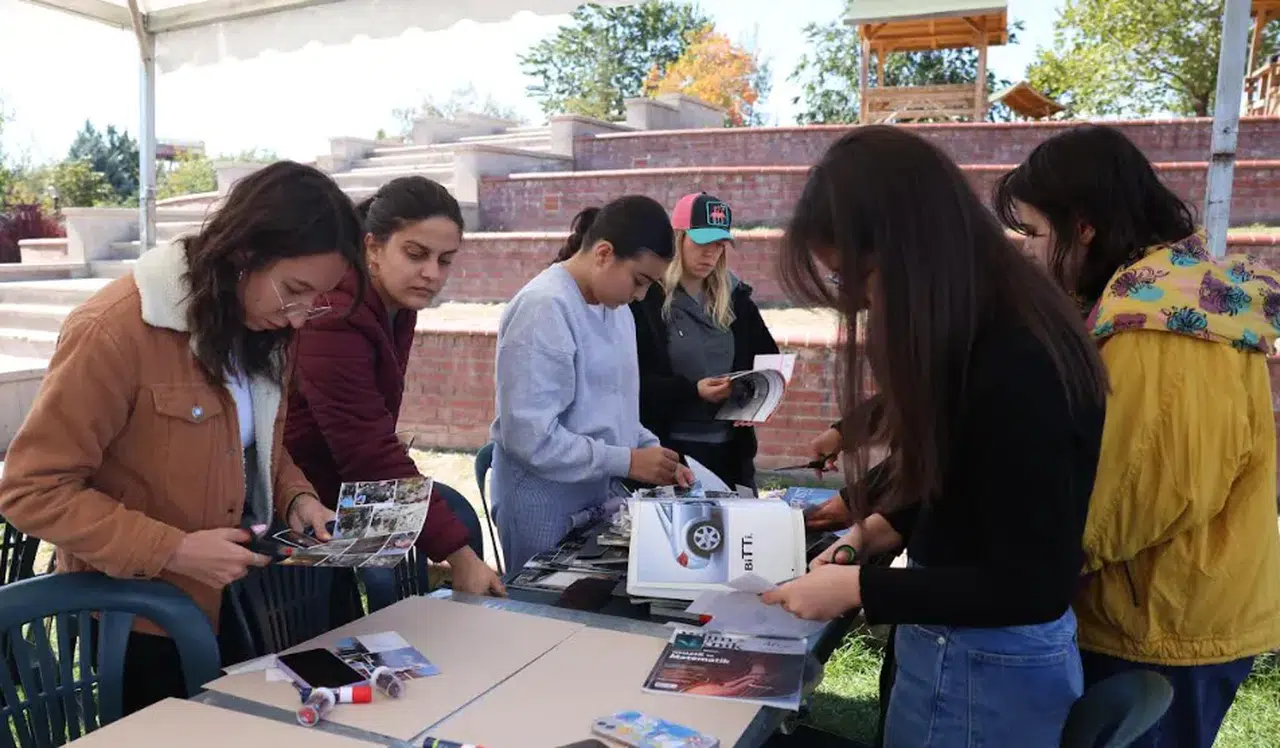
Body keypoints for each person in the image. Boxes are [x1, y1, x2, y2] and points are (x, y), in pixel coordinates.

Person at [759, 126, 1110, 747]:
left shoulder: (1018, 360)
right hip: (964, 658)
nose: (860, 305)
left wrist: (858, 588)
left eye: (860, 279)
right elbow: (972, 476)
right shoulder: (988, 332)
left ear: (911, 253)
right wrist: (881, 528)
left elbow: (1031, 582)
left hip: (983, 674)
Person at [0, 161, 361, 715]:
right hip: (135, 617)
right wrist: (174, 550)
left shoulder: (264, 332)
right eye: (293, 290)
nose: (298, 318)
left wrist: (297, 498)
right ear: (243, 253)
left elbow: (253, 440)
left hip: (237, 600)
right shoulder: (114, 331)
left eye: (317, 299)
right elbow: (31, 490)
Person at [993, 124, 1280, 748]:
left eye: (1035, 234)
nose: (1029, 253)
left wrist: (1035, 563)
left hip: (1162, 620)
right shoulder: (1166, 293)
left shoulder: (1158, 327)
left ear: (1083, 227)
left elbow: (1137, 491)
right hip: (1155, 606)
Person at [285, 176, 505, 611]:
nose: (432, 273)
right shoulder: (335, 312)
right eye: (416, 254)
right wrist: (459, 556)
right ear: (373, 246)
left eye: (445, 260)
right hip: (298, 505)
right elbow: (367, 450)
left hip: (334, 496)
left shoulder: (396, 302)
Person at [490, 196, 694, 571]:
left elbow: (614, 409)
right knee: (545, 606)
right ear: (603, 254)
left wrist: (653, 454)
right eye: (639, 281)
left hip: (597, 497)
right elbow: (531, 439)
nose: (640, 295)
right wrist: (628, 461)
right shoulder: (543, 307)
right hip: (543, 507)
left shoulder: (616, 309)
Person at [630, 192, 779, 490]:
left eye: (719, 245)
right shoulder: (646, 299)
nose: (711, 253)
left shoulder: (736, 297)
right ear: (679, 239)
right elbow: (634, 383)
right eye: (702, 243)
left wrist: (756, 396)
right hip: (669, 454)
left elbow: (767, 357)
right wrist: (692, 391)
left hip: (731, 455)